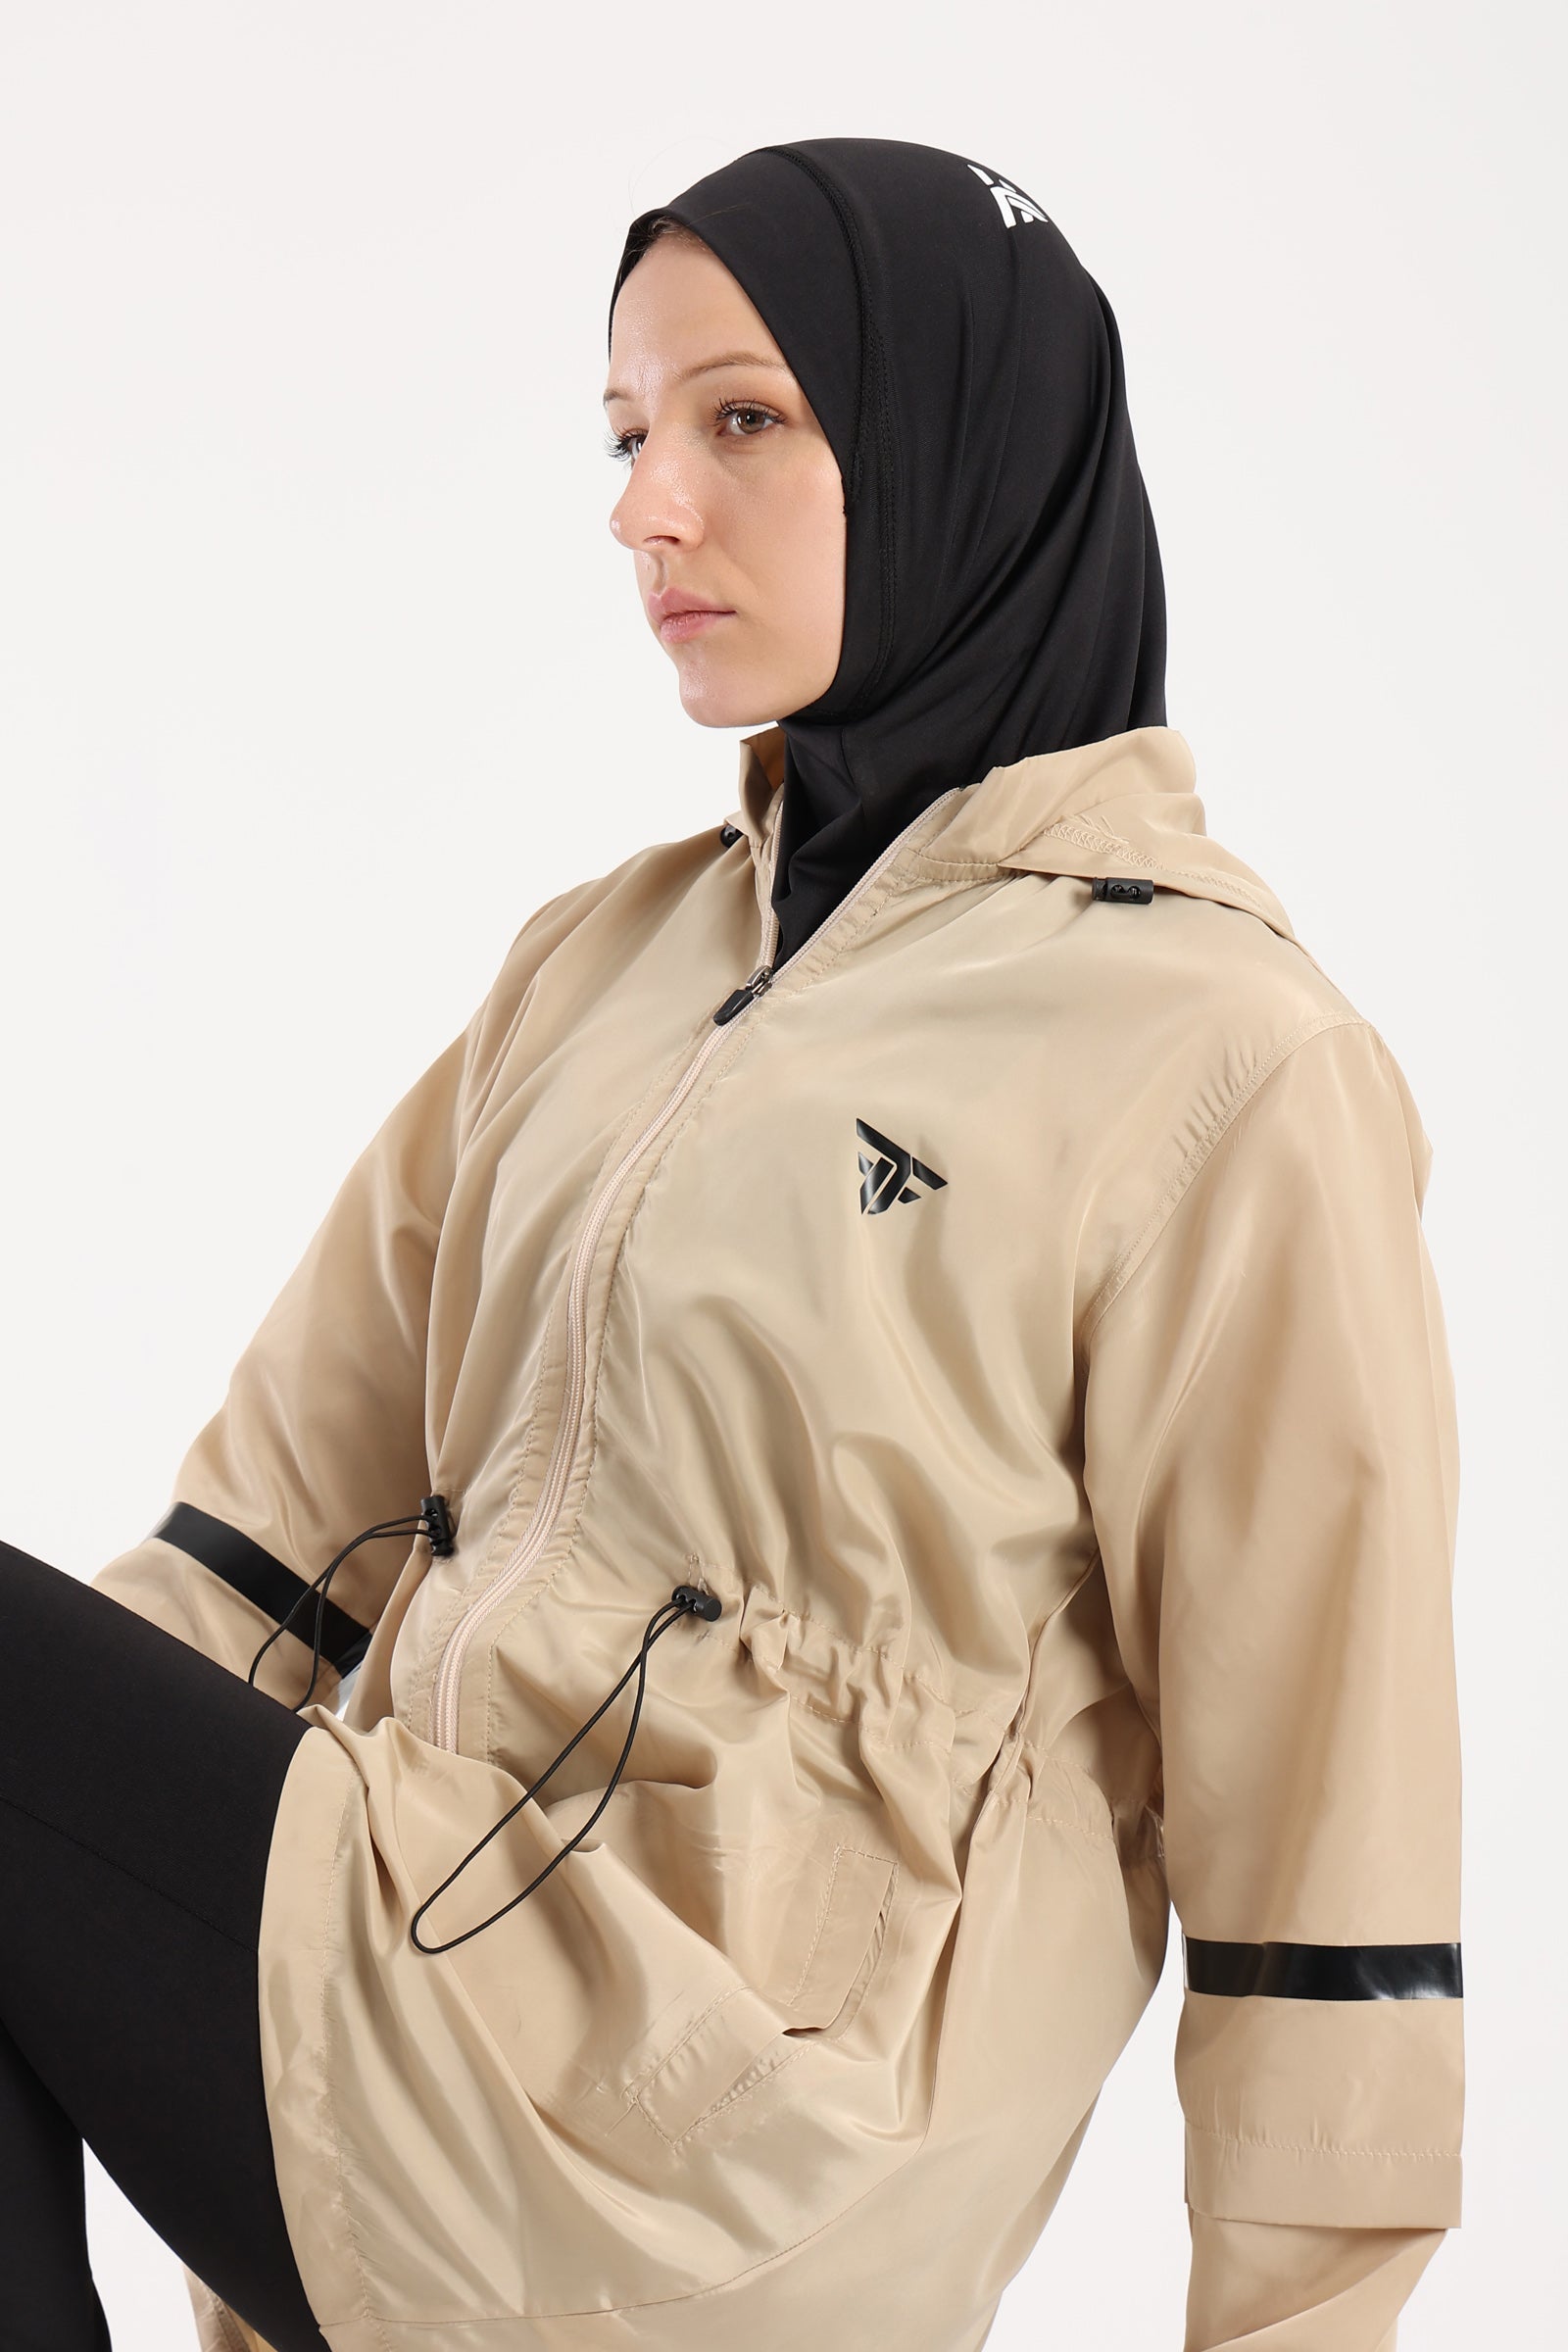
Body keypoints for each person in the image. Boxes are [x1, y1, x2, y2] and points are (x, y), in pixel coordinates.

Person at [2, 135, 1462, 2352]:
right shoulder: (599, 966)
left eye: (743, 419)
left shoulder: (1222, 1061)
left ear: (960, 446)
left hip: (727, 2156)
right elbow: (252, 1553)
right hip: (412, 1946)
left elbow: (1328, 1862)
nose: (646, 507)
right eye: (625, 436)